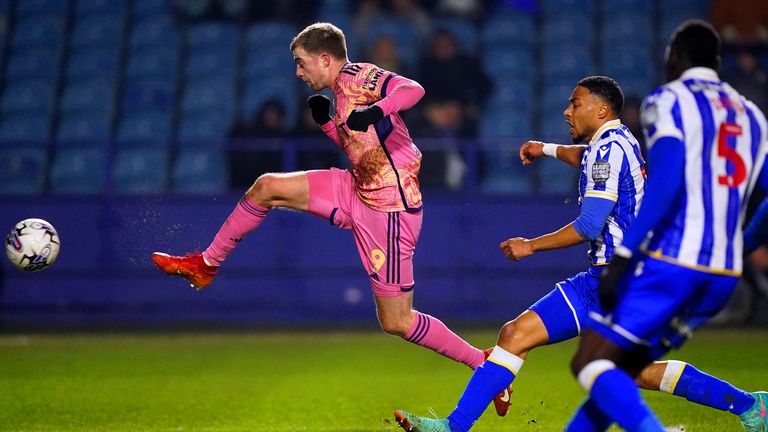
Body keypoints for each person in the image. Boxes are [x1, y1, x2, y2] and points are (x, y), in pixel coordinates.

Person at [150, 22, 512, 415]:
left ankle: (485, 364)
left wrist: (377, 109)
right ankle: (205, 264)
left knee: (396, 321)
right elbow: (360, 143)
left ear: (325, 58)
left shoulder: (358, 76)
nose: (297, 72)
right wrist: (328, 125)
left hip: (388, 209)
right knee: (266, 186)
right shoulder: (339, 95)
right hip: (357, 187)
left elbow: (413, 90)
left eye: (301, 63)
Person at [393, 76, 766, 432]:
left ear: (601, 110)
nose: (567, 111)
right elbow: (585, 157)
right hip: (598, 281)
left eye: (575, 103)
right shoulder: (615, 142)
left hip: (621, 285)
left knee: (636, 372)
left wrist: (531, 245)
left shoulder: (609, 148)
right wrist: (546, 149)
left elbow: (589, 224)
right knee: (515, 334)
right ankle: (452, 426)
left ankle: (750, 405)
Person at [567, 20, 768, 432]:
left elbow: (668, 179)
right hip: (723, 275)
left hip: (675, 262)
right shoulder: (753, 116)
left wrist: (625, 255)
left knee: (589, 360)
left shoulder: (669, 99)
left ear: (674, 57)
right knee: (621, 370)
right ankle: (753, 408)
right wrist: (742, 245)